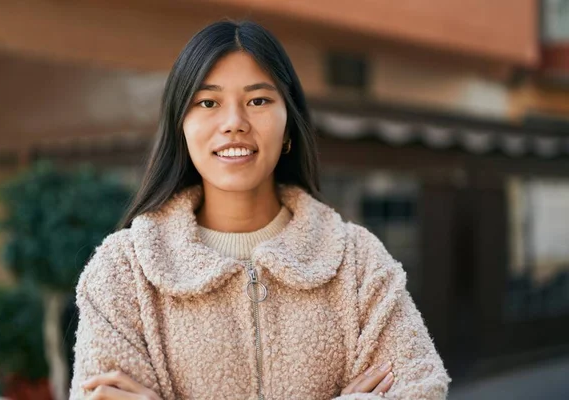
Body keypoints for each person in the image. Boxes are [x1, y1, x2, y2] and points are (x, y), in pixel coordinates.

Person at [69, 20, 450, 400]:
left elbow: (423, 389)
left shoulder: (357, 261)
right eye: (208, 102)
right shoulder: (124, 271)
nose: (234, 123)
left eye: (258, 101)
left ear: (288, 126)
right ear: (180, 124)